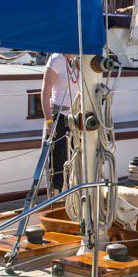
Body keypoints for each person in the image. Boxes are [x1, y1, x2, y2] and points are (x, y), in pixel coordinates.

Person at [40, 52, 77, 193]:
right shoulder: (56, 59)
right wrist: (49, 121)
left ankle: (72, 195)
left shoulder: (79, 59)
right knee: (57, 159)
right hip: (59, 116)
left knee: (75, 157)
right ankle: (55, 196)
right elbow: (45, 92)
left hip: (76, 117)